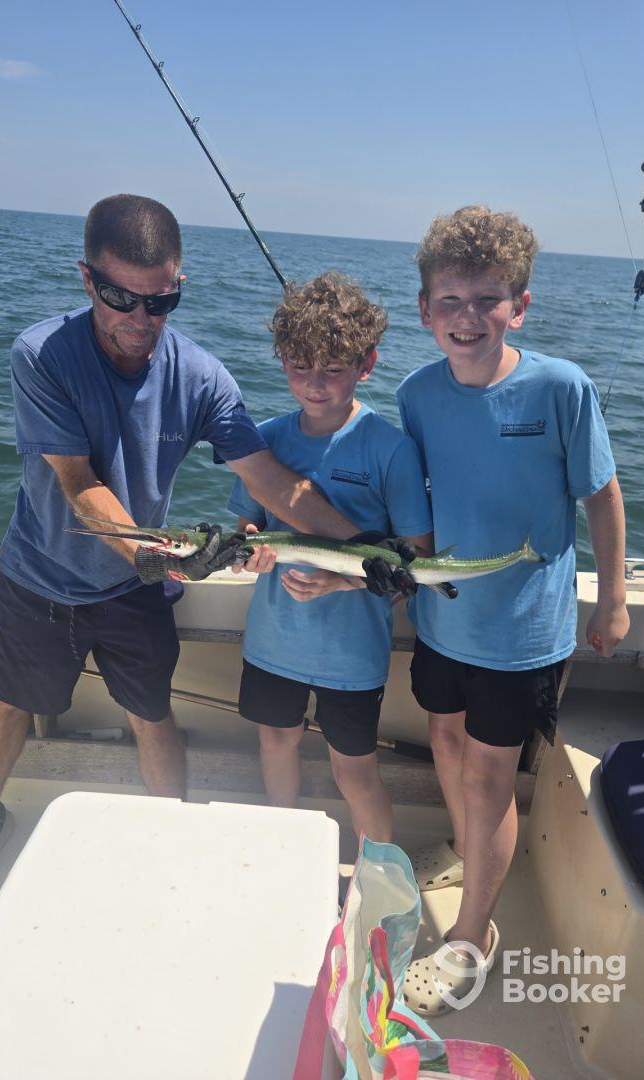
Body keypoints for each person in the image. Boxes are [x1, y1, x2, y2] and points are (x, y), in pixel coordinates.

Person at [0, 195, 362, 903]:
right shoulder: (41, 354)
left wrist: (365, 549)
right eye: (120, 297)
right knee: (9, 704)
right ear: (88, 281)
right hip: (38, 579)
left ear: (178, 286)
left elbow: (270, 480)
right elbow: (78, 482)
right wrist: (157, 555)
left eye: (160, 300)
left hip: (133, 591)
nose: (140, 320)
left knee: (152, 714)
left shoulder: (200, 375)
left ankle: (169, 835)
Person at [385, 206, 630, 1015]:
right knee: (447, 742)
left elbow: (602, 496)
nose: (466, 318)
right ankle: (465, 851)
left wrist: (617, 598)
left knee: (490, 778)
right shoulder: (415, 393)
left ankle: (472, 936)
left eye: (486, 300)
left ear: (518, 306)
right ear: (424, 310)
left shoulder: (562, 387)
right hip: (444, 617)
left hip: (522, 634)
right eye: (448, 301)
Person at [228, 272, 433, 842]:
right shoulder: (263, 440)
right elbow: (247, 523)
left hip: (352, 654)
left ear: (366, 365)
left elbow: (412, 564)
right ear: (280, 361)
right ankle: (283, 851)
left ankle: (378, 877)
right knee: (275, 741)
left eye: (333, 369)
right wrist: (250, 548)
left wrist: (340, 583)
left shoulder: (391, 450)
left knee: (353, 770)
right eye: (299, 366)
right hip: (274, 640)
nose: (314, 384)